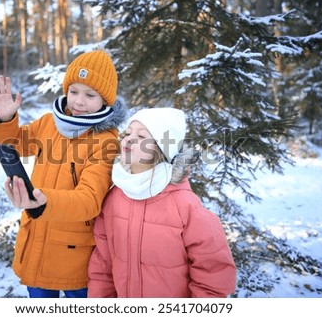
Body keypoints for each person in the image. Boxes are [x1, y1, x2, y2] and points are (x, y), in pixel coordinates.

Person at [0, 49, 127, 298]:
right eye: (73, 91)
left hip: (75, 253)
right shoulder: (49, 123)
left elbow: (90, 200)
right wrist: (5, 118)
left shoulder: (105, 141)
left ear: (105, 100)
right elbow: (15, 144)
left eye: (90, 94)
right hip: (37, 239)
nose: (78, 101)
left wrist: (44, 201)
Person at [87, 108, 237, 297]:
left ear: (161, 148)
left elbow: (212, 274)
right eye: (127, 133)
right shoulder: (114, 197)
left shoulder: (185, 205)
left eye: (141, 136)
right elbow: (103, 263)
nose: (129, 139)